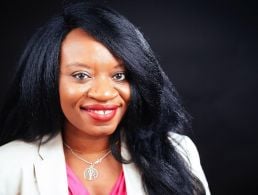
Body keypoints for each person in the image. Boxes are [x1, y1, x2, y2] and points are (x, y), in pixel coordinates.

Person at [0, 1, 210, 195]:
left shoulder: (178, 151)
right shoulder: (8, 163)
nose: (104, 93)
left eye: (119, 76)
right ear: (48, 80)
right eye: (81, 76)